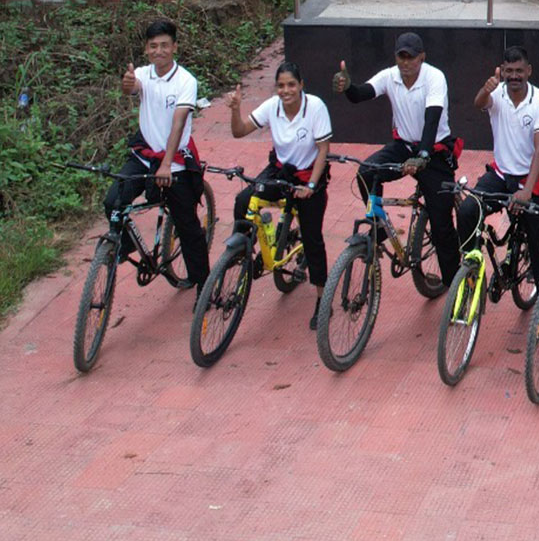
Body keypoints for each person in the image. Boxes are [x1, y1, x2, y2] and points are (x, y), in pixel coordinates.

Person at [331, 31, 463, 288]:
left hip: (434, 150)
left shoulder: (434, 77)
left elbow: (432, 118)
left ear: (422, 57)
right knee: (367, 172)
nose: (405, 63)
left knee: (441, 226)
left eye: (410, 58)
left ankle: (454, 285)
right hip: (403, 146)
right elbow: (361, 94)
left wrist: (423, 156)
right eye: (401, 57)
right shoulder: (389, 76)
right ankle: (377, 225)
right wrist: (347, 87)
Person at [225, 61, 333, 328]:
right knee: (243, 201)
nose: (286, 90)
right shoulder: (272, 106)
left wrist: (310, 187)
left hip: (309, 175)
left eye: (291, 85)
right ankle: (244, 253)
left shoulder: (316, 107)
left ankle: (322, 299)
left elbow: (323, 150)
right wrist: (235, 109)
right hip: (280, 170)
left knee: (312, 237)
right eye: (281, 86)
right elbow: (239, 132)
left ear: (301, 86)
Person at [108, 19, 209, 292]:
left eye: (165, 45)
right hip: (144, 156)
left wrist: (166, 165)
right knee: (112, 202)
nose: (159, 51)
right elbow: (131, 87)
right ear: (146, 49)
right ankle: (126, 246)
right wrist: (127, 85)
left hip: (173, 161)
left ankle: (204, 286)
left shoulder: (186, 81)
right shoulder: (142, 73)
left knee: (188, 227)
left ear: (174, 46)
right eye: (153, 46)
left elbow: (178, 124)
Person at [457, 47, 539, 293]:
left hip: (529, 178)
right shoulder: (497, 94)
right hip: (500, 175)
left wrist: (527, 191)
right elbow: (479, 102)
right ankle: (469, 267)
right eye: (509, 71)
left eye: (519, 71)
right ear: (502, 71)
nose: (514, 76)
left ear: (529, 71)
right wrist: (485, 89)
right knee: (469, 209)